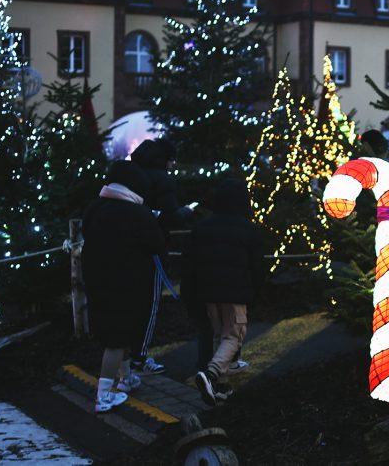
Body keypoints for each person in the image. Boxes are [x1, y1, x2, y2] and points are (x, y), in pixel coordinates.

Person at [82, 160, 166, 412]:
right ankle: (104, 395)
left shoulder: (94, 208)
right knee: (118, 338)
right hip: (128, 282)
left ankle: (126, 378)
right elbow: (157, 245)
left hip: (97, 281)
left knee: (116, 333)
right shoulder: (137, 213)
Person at [181, 178, 264, 405]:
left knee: (219, 336)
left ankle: (222, 388)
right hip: (235, 294)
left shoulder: (202, 227)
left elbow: (189, 263)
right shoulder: (249, 229)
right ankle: (211, 375)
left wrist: (189, 295)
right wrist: (256, 293)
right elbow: (257, 267)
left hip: (207, 293)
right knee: (233, 337)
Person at [129, 137, 191, 374]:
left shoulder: (135, 175)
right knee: (150, 303)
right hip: (153, 248)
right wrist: (186, 211)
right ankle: (140, 357)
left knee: (132, 300)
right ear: (166, 159)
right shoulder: (162, 180)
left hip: (129, 247)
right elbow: (171, 217)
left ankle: (128, 357)